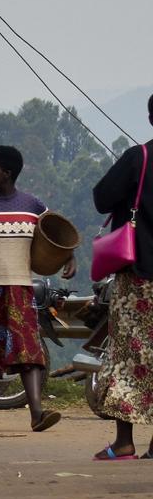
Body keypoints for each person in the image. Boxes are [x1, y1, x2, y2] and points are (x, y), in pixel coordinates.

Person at [0, 145, 75, 433]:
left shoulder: (32, 205)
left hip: (21, 290)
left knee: (29, 351)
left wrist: (69, 257)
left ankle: (36, 414)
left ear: (7, 173)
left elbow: (56, 233)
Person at [91, 94, 153, 460]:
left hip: (139, 277)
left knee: (128, 355)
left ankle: (125, 441)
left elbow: (102, 198)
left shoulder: (138, 158)